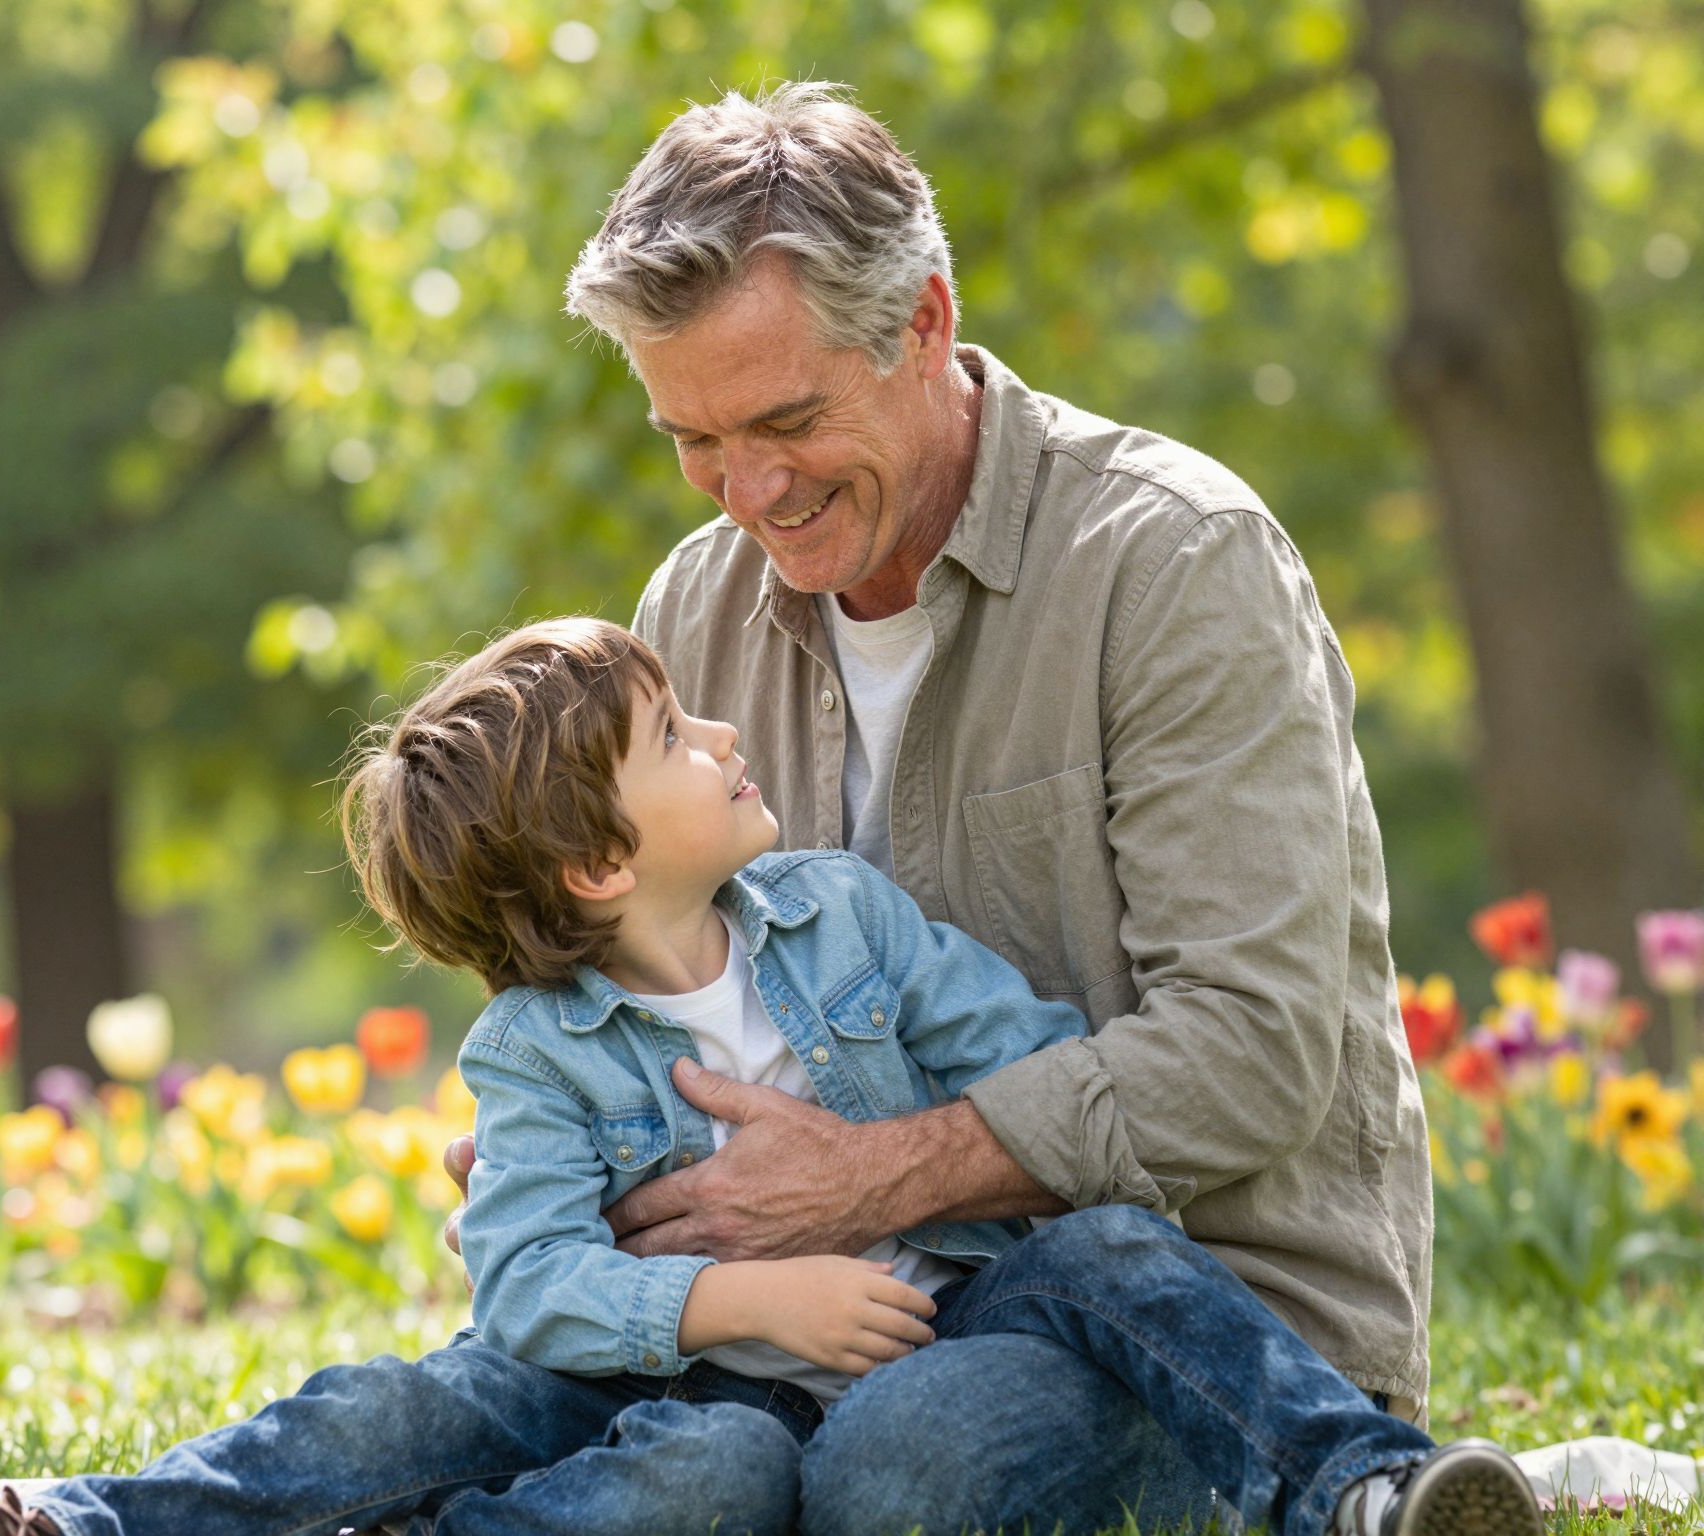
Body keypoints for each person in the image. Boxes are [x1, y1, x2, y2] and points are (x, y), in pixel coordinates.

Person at [0, 619, 1536, 1536]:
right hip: (686, 1389)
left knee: (1117, 1260)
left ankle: (1364, 1485)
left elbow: (1031, 1067)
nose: (724, 740)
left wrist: (875, 1168)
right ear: (592, 870)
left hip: (946, 1326)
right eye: (677, 741)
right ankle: (37, 1524)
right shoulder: (536, 1056)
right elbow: (532, 1282)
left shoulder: (844, 920)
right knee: (418, 1413)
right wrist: (726, 1297)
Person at [413, 82, 1481, 1535]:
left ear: (921, 325)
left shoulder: (1176, 566)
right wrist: (585, 1157)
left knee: (905, 1478)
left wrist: (871, 1180)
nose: (749, 490)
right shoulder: (698, 604)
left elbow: (1257, 1048)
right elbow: (646, 979)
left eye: (786, 418)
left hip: (1176, 1311)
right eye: (695, 439)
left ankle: (1367, 1490)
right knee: (473, 1411)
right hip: (793, 1330)